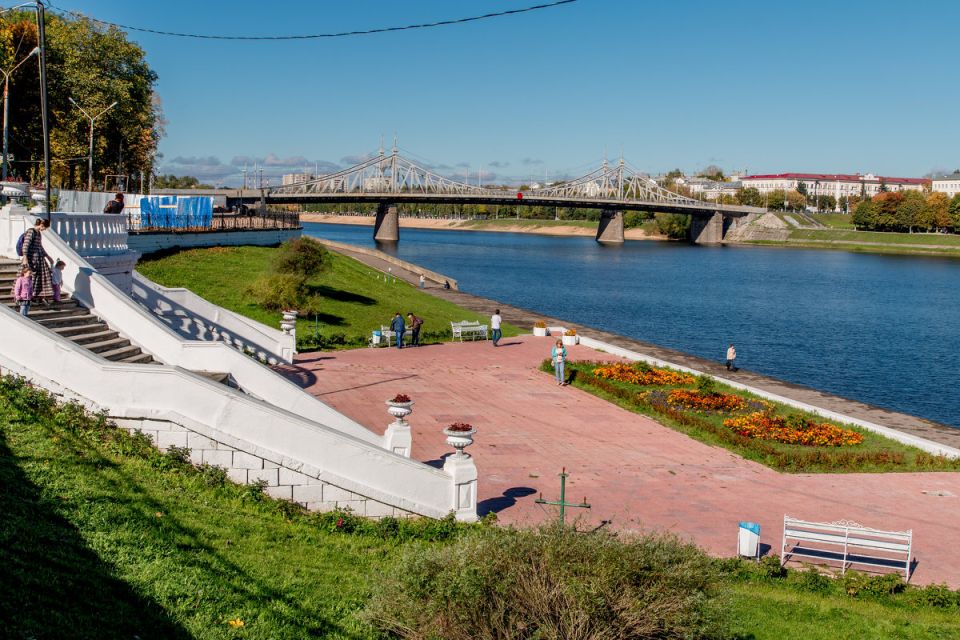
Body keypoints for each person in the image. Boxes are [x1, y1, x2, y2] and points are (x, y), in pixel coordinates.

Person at [20, 218, 53, 304]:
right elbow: (26, 244)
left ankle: (35, 295)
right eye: (45, 228)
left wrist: (47, 256)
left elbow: (39, 246)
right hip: (31, 258)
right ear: (41, 225)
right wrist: (25, 257)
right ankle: (27, 296)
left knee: (39, 277)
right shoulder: (31, 232)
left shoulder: (38, 233)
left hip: (38, 258)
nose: (44, 229)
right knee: (30, 277)